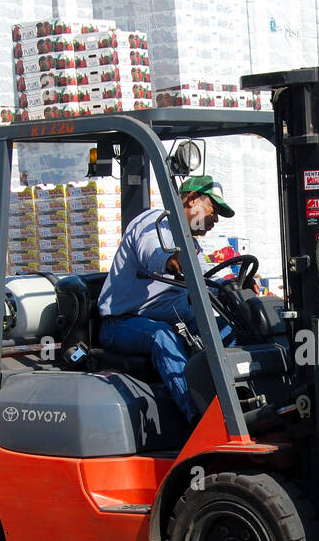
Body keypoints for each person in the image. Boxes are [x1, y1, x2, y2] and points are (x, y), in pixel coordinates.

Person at [97, 175, 243, 422]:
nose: (215, 219)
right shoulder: (152, 224)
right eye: (213, 209)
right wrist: (169, 260)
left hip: (169, 319)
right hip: (123, 323)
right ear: (192, 199)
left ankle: (237, 402)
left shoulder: (189, 241)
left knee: (231, 328)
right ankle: (198, 418)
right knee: (161, 336)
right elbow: (153, 254)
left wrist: (233, 286)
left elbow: (207, 278)